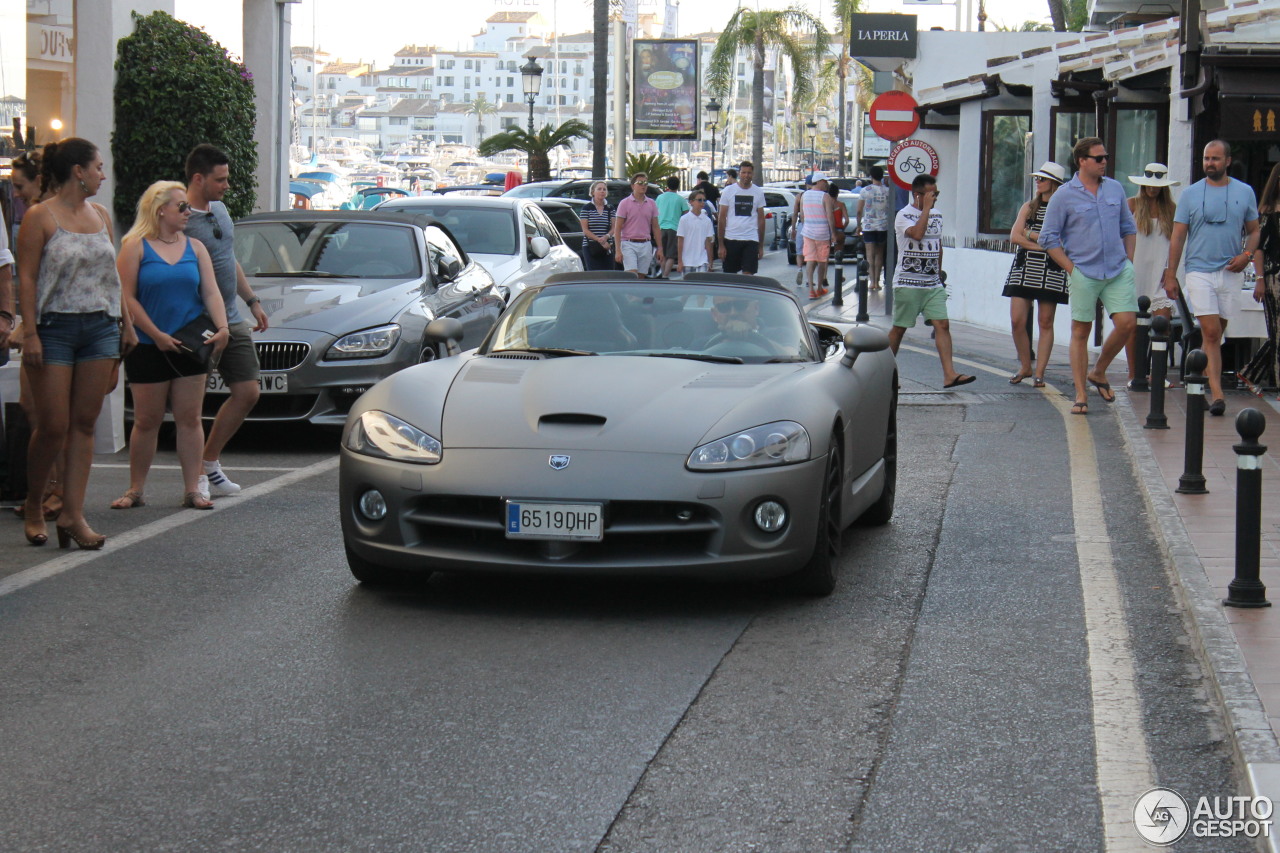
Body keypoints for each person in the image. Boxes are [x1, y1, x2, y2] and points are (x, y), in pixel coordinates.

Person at [17, 138, 136, 549]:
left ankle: (72, 513)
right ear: (78, 171)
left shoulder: (100, 215)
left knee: (85, 423)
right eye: (99, 167)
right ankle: (34, 504)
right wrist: (29, 332)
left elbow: (112, 277)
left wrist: (126, 324)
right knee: (52, 425)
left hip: (100, 327)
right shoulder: (40, 216)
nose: (103, 174)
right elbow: (27, 278)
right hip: (54, 329)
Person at [112, 182, 229, 511]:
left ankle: (193, 488)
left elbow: (210, 292)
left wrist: (222, 327)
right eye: (181, 206)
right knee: (146, 420)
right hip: (148, 343)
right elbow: (127, 297)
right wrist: (155, 333)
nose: (187, 212)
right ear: (160, 209)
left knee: (190, 418)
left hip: (190, 343)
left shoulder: (195, 248)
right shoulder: (135, 246)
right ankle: (136, 488)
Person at [184, 143, 268, 498]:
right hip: (198, 320)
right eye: (220, 180)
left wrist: (252, 301)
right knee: (192, 403)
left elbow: (227, 259)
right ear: (199, 178)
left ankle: (210, 462)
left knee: (248, 391)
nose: (227, 185)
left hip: (231, 317)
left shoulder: (220, 212)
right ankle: (194, 479)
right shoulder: (181, 218)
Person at [1039, 137, 1138, 416]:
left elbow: (1128, 227)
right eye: (1098, 158)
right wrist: (1072, 269)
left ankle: (1099, 371)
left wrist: (1129, 261)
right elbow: (1048, 238)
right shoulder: (1064, 195)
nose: (1104, 161)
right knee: (1080, 331)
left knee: (1127, 323)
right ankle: (1081, 394)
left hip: (1118, 269)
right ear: (1082, 161)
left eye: (1105, 157)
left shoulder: (1116, 189)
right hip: (1084, 270)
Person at [1163, 140, 1260, 416]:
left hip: (1231, 270)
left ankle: (1203, 381)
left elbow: (1254, 230)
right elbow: (1178, 236)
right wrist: (1171, 274)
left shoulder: (1245, 192)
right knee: (1211, 332)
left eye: (1215, 159)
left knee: (1216, 335)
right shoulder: (1191, 194)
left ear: (1227, 161)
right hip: (1198, 270)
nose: (1210, 163)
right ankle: (1217, 393)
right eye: (1206, 158)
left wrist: (1247, 255)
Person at [887, 174, 975, 388]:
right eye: (932, 194)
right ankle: (886, 373)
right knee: (900, 328)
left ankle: (949, 374)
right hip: (908, 282)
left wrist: (939, 273)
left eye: (936, 194)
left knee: (942, 324)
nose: (935, 198)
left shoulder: (937, 215)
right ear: (918, 195)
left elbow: (937, 244)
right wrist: (925, 209)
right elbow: (917, 234)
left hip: (931, 282)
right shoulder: (903, 215)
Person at [1002, 162, 1069, 388]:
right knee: (1017, 321)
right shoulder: (1028, 207)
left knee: (1045, 321)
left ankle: (1039, 372)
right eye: (1037, 178)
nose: (1038, 182)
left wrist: (1030, 235)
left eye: (1043, 179)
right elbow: (1015, 236)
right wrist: (1044, 244)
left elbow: (1064, 241)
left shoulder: (1064, 208)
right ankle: (1025, 365)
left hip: (1052, 269)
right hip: (1025, 267)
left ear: (1054, 183)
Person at [1125, 162, 1180, 388]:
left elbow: (1177, 244)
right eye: (1149, 184)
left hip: (1161, 274)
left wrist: (1171, 272)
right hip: (1135, 272)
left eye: (1158, 184)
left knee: (1162, 323)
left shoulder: (1173, 210)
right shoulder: (1132, 205)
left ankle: (1157, 373)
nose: (1153, 188)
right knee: (1133, 328)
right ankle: (1134, 374)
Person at [1241, 162, 1280, 394]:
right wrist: (1260, 278)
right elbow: (1259, 249)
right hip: (1274, 275)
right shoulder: (1267, 213)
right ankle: (1274, 380)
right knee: (1277, 331)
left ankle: (1250, 372)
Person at [717, 161, 766, 276]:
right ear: (739, 174)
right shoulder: (728, 191)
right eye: (743, 172)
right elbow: (722, 218)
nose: (746, 175)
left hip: (751, 239)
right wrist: (721, 245)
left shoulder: (758, 192)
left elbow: (761, 220)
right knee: (730, 276)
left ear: (752, 174)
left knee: (748, 276)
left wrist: (760, 246)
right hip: (731, 238)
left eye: (749, 173)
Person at [613, 172, 663, 278]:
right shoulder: (624, 203)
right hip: (628, 243)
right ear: (633, 186)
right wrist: (618, 250)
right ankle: (631, 295)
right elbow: (617, 228)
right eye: (640, 183)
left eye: (645, 183)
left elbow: (655, 227)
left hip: (645, 244)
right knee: (631, 275)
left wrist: (660, 248)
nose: (643, 185)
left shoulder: (651, 203)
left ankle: (636, 295)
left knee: (641, 277)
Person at [799, 172, 838, 299]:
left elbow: (802, 214)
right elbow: (830, 216)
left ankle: (811, 289)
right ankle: (819, 287)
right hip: (822, 233)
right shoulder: (825, 196)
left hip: (808, 232)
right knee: (822, 261)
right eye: (825, 181)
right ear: (819, 182)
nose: (826, 184)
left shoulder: (804, 195)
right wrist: (833, 233)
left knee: (810, 259)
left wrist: (806, 226)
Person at [857, 166, 890, 292]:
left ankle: (872, 282)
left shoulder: (865, 190)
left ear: (871, 176)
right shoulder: (887, 191)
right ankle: (878, 281)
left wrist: (859, 224)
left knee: (869, 254)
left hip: (869, 225)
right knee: (879, 254)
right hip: (883, 225)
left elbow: (860, 210)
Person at [655, 175, 689, 279]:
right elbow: (686, 213)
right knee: (671, 255)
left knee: (662, 253)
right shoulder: (680, 199)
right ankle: (666, 275)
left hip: (660, 228)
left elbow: (655, 212)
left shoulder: (660, 197)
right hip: (674, 228)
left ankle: (662, 272)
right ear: (678, 186)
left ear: (667, 185)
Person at [579, 180, 616, 272]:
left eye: (604, 189)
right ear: (593, 192)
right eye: (599, 189)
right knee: (594, 273)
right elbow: (585, 230)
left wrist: (606, 237)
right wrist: (600, 240)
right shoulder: (586, 208)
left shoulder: (610, 208)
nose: (602, 191)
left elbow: (614, 227)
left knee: (608, 273)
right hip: (591, 246)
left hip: (607, 246)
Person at [676, 190, 715, 275]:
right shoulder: (684, 219)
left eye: (704, 200)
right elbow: (680, 240)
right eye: (699, 200)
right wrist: (680, 261)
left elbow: (708, 242)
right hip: (687, 261)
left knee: (701, 285)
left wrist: (710, 261)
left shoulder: (707, 220)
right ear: (691, 202)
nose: (702, 202)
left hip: (702, 260)